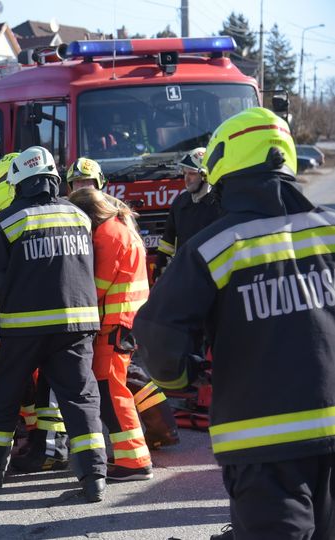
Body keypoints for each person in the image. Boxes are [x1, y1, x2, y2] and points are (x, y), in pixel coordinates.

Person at [133, 107, 335, 540]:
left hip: (261, 442)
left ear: (225, 163)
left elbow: (157, 336)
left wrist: (183, 377)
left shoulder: (213, 248)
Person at [0, 146, 107, 502]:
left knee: (6, 395)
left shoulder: (6, 220)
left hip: (24, 327)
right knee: (81, 399)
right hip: (76, 324)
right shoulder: (80, 216)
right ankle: (94, 477)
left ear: (18, 181)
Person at [68, 187, 153, 481]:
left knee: (111, 392)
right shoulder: (117, 228)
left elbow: (96, 287)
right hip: (124, 322)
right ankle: (131, 456)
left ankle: (135, 462)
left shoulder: (108, 235)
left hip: (115, 324)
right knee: (115, 389)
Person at [153, 147, 223, 280]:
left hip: (212, 276)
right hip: (185, 275)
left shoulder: (220, 204)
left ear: (205, 176)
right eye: (184, 174)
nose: (186, 179)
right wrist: (160, 267)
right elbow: (168, 242)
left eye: (191, 174)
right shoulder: (180, 203)